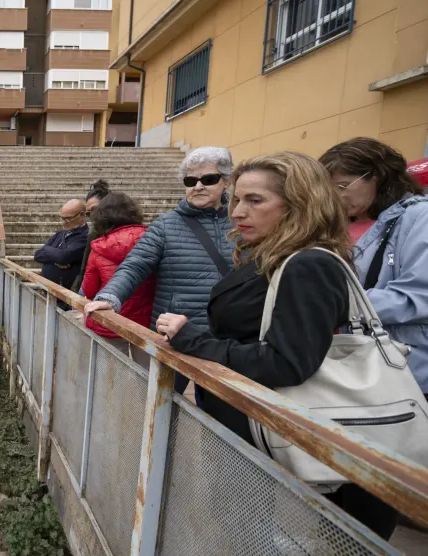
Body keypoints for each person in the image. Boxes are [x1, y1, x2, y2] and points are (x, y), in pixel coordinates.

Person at [153, 151, 397, 540]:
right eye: (237, 199)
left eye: (254, 200)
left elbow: (286, 361)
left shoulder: (306, 264)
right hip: (259, 430)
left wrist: (194, 341)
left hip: (276, 433)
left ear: (298, 204)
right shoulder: (278, 256)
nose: (236, 212)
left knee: (258, 535)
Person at [83, 146, 235, 396]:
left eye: (208, 179)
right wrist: (109, 297)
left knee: (219, 416)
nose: (198, 186)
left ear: (226, 181)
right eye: (190, 180)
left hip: (225, 338)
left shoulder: (241, 223)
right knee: (160, 406)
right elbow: (135, 265)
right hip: (172, 337)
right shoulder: (165, 225)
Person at [320, 137, 428, 399]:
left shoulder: (419, 218)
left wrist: (335, 302)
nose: (335, 197)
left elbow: (419, 297)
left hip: (407, 370)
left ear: (377, 176)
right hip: (356, 365)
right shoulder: (340, 223)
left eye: (343, 186)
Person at [80, 193, 154, 366]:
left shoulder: (99, 247)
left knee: (108, 377)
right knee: (147, 378)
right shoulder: (152, 239)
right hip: (145, 324)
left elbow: (89, 290)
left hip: (109, 320)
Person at [33, 199, 89, 291]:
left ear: (82, 215)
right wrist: (55, 260)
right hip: (47, 289)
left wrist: (46, 248)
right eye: (63, 218)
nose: (64, 222)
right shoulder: (60, 234)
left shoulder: (84, 237)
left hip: (64, 293)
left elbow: (64, 257)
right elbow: (38, 255)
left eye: (68, 218)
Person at [70, 179, 112, 294]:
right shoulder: (93, 233)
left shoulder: (128, 231)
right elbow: (85, 268)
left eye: (94, 209)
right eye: (88, 213)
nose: (92, 216)